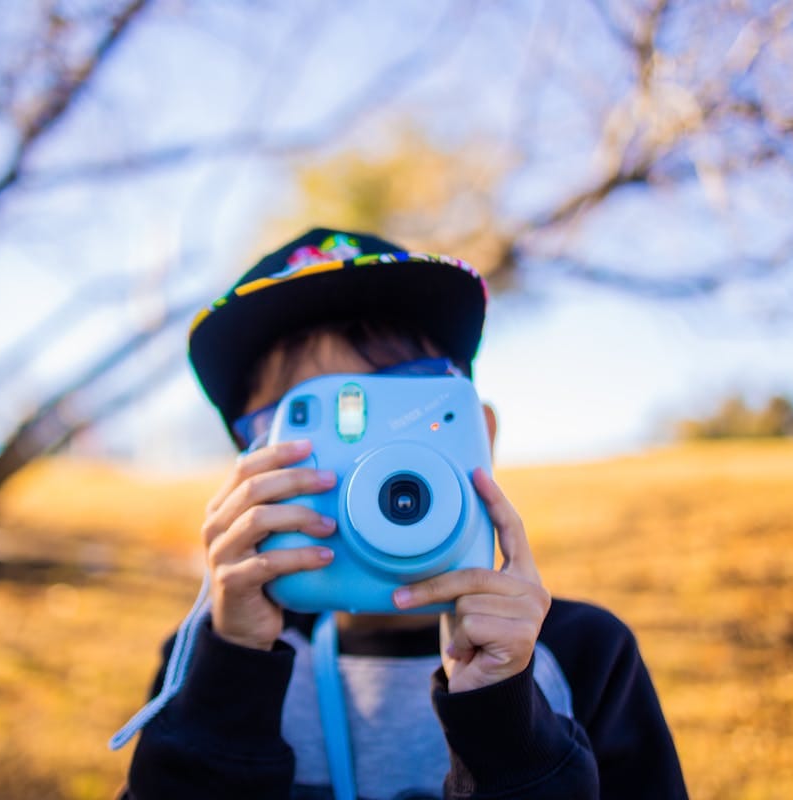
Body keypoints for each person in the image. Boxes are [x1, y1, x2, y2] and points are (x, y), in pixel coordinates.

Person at [117, 229, 687, 799]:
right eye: (305, 423)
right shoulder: (216, 659)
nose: (372, 467)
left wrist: (505, 713)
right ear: (251, 472)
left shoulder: (582, 654)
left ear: (480, 434)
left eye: (403, 408)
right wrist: (231, 671)